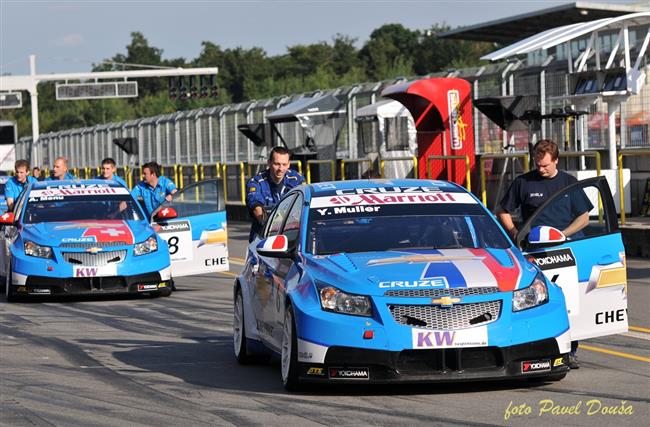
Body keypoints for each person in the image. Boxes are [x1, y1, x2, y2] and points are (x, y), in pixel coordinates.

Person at [497, 139, 591, 369]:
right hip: (534, 252)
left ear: (556, 160)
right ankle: (536, 348)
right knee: (536, 301)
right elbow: (502, 210)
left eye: (546, 165)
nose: (541, 169)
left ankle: (570, 351)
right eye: (538, 165)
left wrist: (563, 234)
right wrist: (514, 233)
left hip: (565, 251)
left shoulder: (569, 183)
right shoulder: (524, 183)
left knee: (569, 302)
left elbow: (584, 217)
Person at [246, 146, 305, 242]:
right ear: (269, 163)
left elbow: (304, 204)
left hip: (291, 235)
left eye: (284, 164)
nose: (281, 169)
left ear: (289, 164)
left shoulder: (297, 179)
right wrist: (272, 230)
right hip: (263, 236)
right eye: (277, 164)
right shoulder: (256, 182)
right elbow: (257, 209)